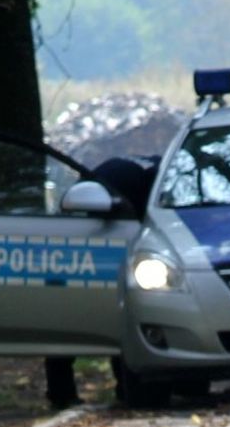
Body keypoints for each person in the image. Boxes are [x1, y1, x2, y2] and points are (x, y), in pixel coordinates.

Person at [45, 154, 161, 409]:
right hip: (107, 246)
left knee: (72, 320)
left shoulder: (130, 179)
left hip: (96, 246)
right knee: (119, 318)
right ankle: (123, 389)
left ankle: (61, 392)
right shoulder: (143, 186)